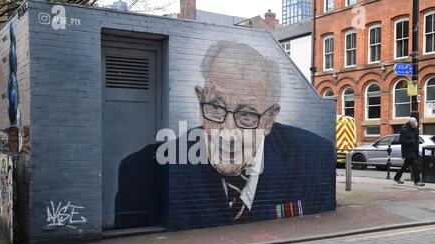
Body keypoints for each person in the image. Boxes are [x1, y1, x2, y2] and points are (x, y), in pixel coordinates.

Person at [114, 42, 336, 230]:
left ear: (269, 119)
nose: (228, 134)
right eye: (216, 107)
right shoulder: (140, 172)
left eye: (247, 114)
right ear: (201, 102)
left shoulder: (316, 159)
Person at [394, 117, 425, 186]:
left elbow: (415, 138)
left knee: (405, 166)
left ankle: (397, 177)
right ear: (411, 123)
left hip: (413, 150)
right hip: (408, 151)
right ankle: (417, 181)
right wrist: (412, 141)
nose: (416, 123)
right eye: (415, 122)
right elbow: (401, 141)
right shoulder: (405, 129)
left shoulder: (413, 129)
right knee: (416, 166)